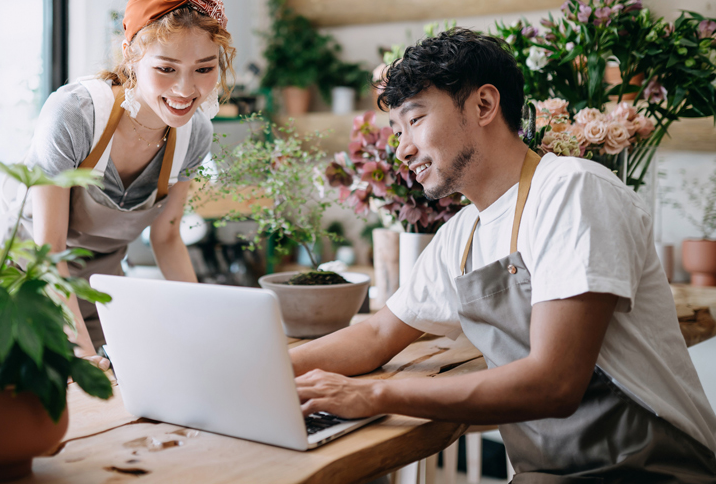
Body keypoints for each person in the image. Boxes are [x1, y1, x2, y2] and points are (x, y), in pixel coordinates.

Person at [292, 28, 716, 482]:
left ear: (484, 105)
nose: (402, 149)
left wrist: (375, 396)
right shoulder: (463, 233)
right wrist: (265, 369)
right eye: (397, 130)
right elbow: (377, 333)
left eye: (414, 120)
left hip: (653, 467)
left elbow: (554, 384)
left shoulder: (572, 190)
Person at [0, 0, 235, 370]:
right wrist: (83, 356)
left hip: (96, 294)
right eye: (166, 68)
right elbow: (48, 253)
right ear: (130, 57)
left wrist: (206, 327)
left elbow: (167, 238)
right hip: (22, 286)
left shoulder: (195, 133)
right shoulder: (75, 114)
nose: (185, 89)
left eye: (204, 68)